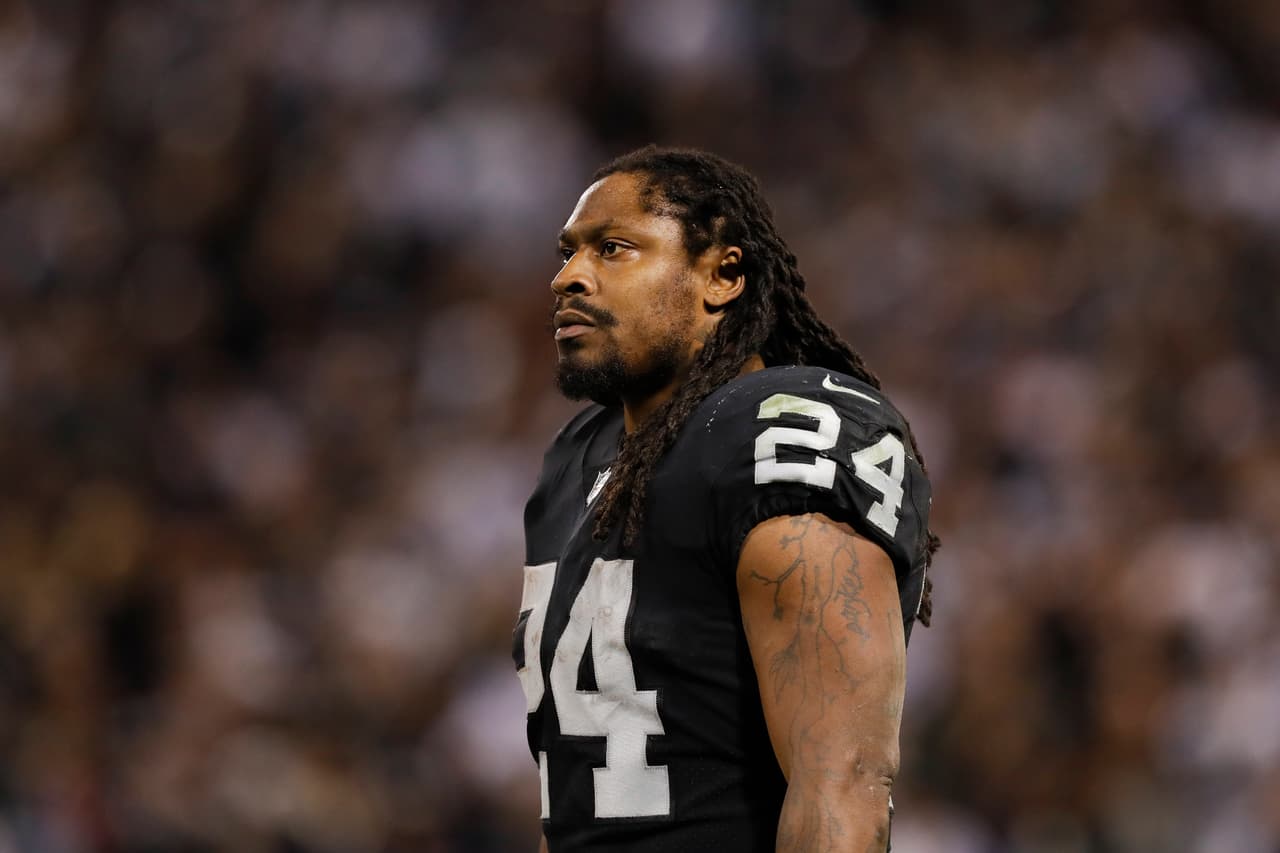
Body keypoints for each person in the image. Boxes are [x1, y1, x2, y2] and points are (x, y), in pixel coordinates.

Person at [513, 146, 938, 853]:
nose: (568, 277)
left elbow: (842, 780)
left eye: (612, 248)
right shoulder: (573, 463)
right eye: (568, 252)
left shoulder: (781, 431)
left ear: (722, 276)